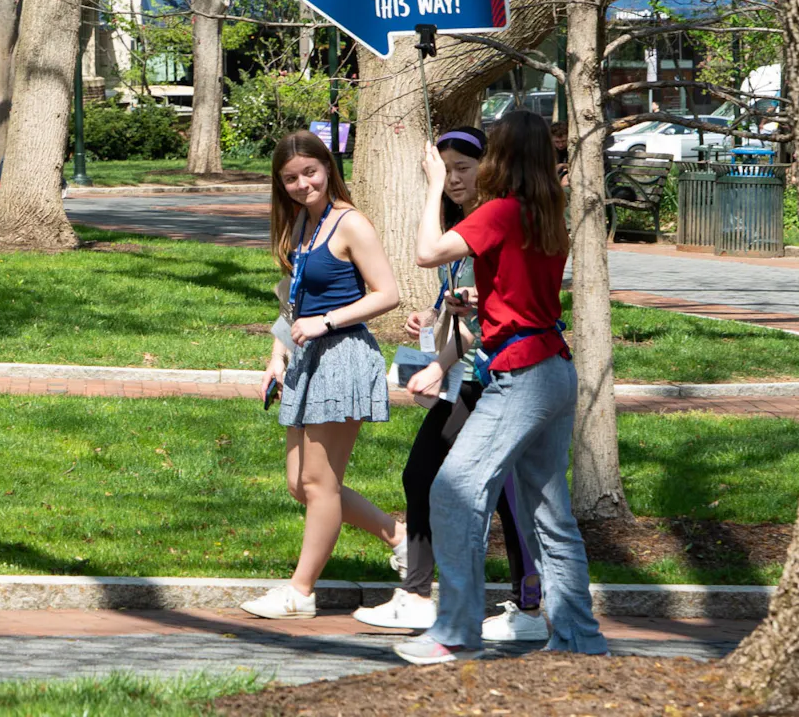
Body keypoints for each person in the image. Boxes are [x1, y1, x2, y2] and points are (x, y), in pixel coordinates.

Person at [394, 110, 607, 665]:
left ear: (502, 159)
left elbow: (426, 253)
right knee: (549, 513)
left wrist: (435, 186)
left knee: (453, 490)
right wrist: (479, 305)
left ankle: (454, 631)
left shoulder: (500, 212)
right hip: (555, 366)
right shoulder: (546, 212)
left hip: (524, 376)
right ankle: (579, 638)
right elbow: (521, 290)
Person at [353, 126, 546, 640]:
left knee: (496, 490)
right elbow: (467, 304)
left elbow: (491, 313)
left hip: (493, 376)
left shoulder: (496, 218)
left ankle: (523, 606)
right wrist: (432, 315)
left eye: (464, 168)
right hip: (472, 373)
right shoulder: (472, 225)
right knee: (427, 477)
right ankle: (422, 594)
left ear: (489, 166)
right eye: (447, 169)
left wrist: (439, 363)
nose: (455, 178)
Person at [241, 130, 405, 620]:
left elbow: (387, 293)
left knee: (318, 483)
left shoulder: (350, 223)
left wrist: (328, 322)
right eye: (290, 178)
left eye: (309, 172)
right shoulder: (301, 224)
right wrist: (278, 351)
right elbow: (292, 300)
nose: (301, 183)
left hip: (343, 358)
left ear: (328, 169)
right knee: (301, 483)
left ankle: (301, 591)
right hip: (307, 358)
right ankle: (402, 539)